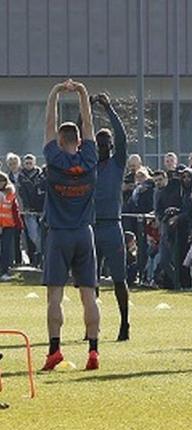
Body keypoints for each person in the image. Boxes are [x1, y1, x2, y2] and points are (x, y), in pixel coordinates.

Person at [41, 79, 101, 371]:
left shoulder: (53, 158)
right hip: (84, 233)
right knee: (88, 293)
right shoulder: (90, 158)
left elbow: (48, 125)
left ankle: (55, 349)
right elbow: (89, 123)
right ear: (78, 142)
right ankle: (93, 351)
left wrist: (55, 92)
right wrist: (81, 93)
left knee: (55, 294)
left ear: (59, 141)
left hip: (59, 233)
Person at [83, 93, 131, 341]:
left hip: (112, 227)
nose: (100, 148)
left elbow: (121, 136)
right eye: (97, 144)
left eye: (104, 145)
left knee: (119, 280)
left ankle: (125, 324)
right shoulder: (89, 163)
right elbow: (80, 136)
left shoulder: (117, 163)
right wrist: (87, 108)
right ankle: (92, 326)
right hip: (91, 227)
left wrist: (109, 107)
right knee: (90, 282)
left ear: (110, 147)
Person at [15, 154, 45, 267]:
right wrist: (24, 207)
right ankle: (40, 253)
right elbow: (20, 193)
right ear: (23, 164)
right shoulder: (21, 177)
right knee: (33, 235)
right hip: (28, 211)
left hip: (41, 209)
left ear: (34, 163)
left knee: (42, 233)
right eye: (26, 163)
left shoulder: (41, 175)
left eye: (30, 163)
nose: (28, 165)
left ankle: (42, 255)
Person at [0, 171, 22, 281]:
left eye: (2, 181)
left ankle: (4, 271)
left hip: (8, 225)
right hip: (2, 225)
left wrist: (19, 224)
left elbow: (15, 210)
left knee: (6, 250)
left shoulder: (10, 193)